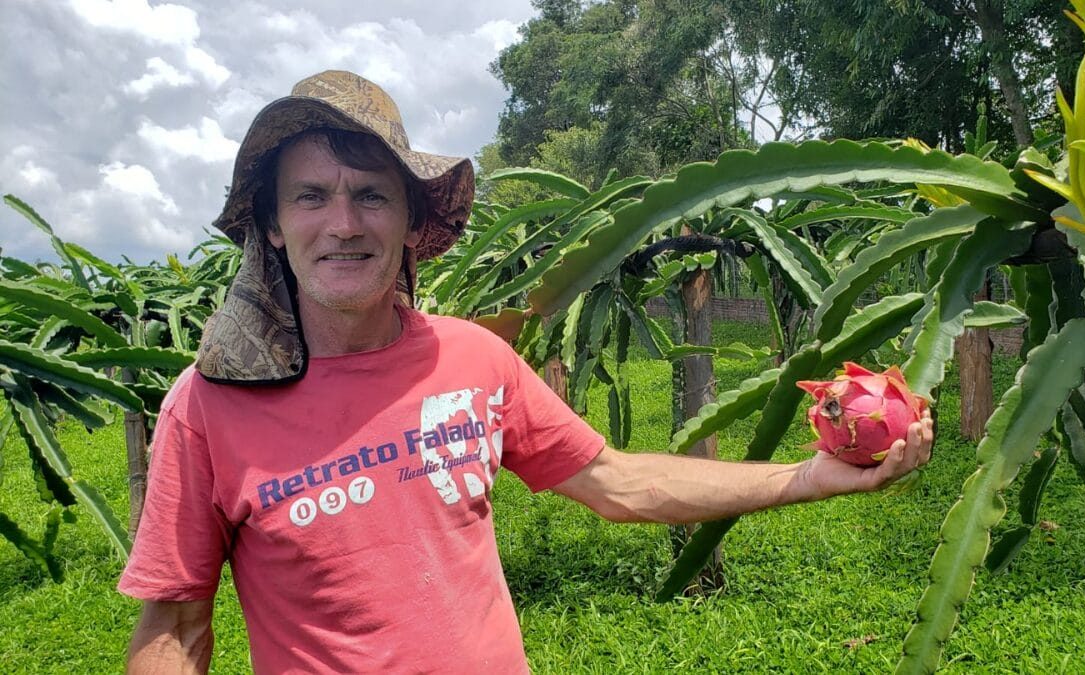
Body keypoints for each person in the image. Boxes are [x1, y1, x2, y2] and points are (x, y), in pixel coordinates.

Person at [119, 70, 934, 674]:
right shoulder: (209, 405)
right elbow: (175, 630)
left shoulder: (473, 358)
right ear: (271, 221)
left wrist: (809, 477)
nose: (343, 223)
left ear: (411, 222)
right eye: (311, 197)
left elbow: (616, 482)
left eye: (371, 195)